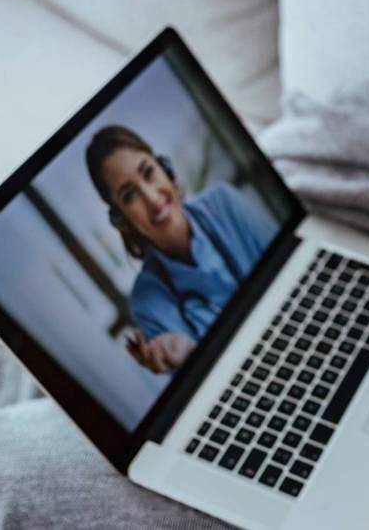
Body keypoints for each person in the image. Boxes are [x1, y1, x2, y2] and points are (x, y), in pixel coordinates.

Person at [86, 125, 278, 374]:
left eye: (148, 173)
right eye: (129, 196)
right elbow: (209, 386)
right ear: (122, 219)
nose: (153, 200)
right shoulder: (147, 302)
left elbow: (292, 269)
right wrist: (190, 353)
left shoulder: (225, 203)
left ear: (166, 170)